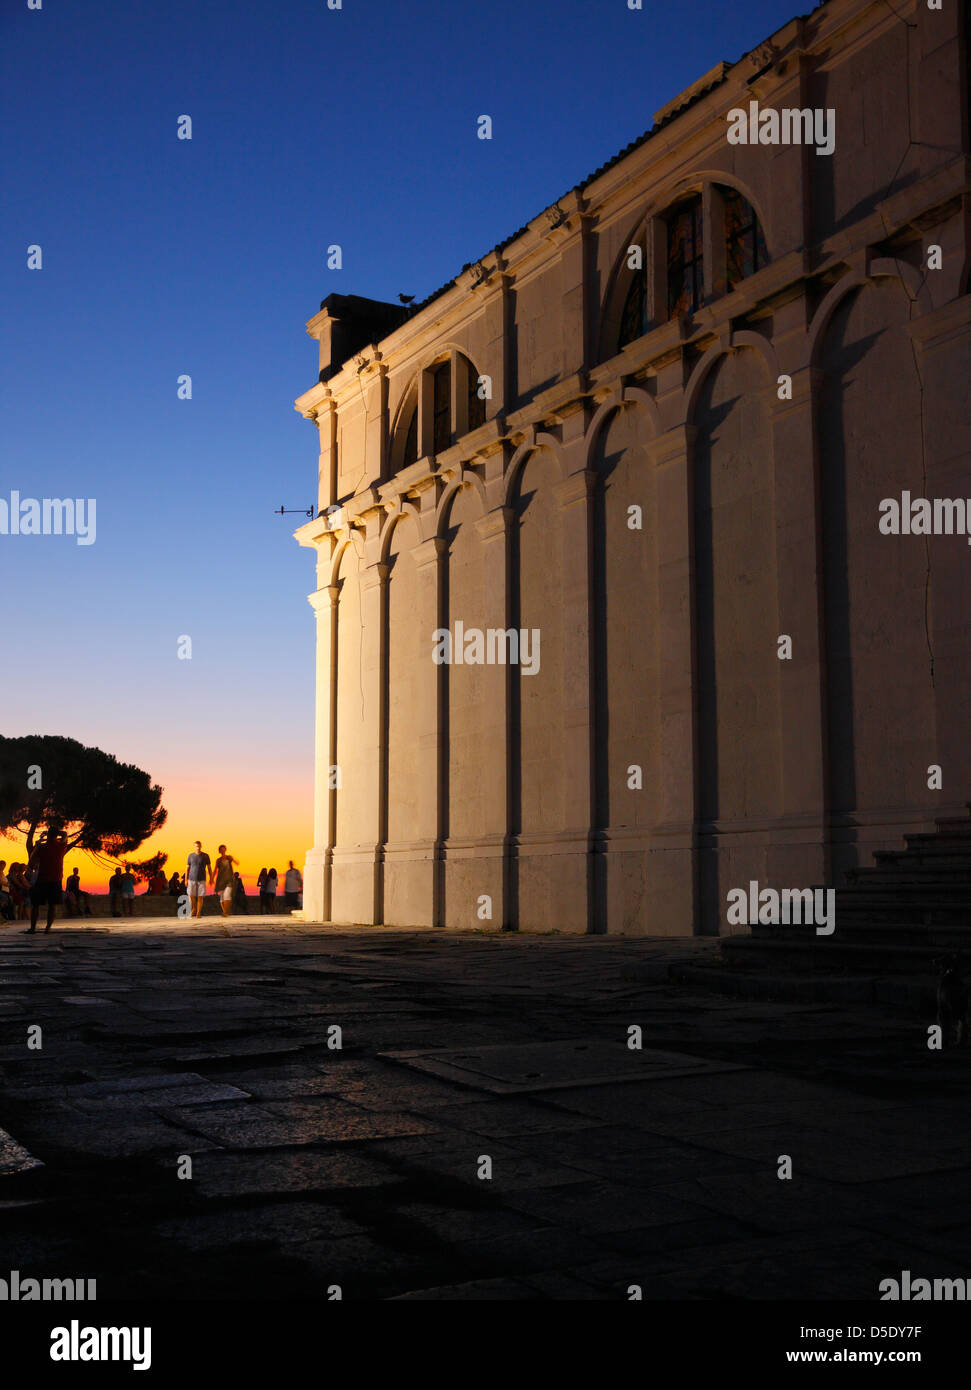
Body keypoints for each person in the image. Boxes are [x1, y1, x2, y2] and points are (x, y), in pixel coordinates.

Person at [26, 828, 69, 934]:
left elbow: (31, 860)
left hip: (42, 879)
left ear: (48, 835)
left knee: (35, 905)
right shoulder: (61, 846)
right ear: (56, 835)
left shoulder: (42, 847)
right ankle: (47, 928)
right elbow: (65, 834)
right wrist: (55, 834)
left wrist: (40, 841)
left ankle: (33, 928)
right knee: (52, 905)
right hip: (56, 879)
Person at [186, 840, 212, 918]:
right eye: (196, 846)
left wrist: (211, 878)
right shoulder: (190, 856)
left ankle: (198, 912)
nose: (198, 847)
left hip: (202, 879)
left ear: (201, 846)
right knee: (191, 895)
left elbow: (209, 868)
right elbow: (187, 868)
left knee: (200, 896)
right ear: (194, 847)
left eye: (199, 846)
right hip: (191, 879)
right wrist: (185, 879)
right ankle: (193, 909)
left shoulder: (205, 856)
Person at [212, 844, 238, 918]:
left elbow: (237, 863)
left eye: (224, 849)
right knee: (222, 897)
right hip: (221, 881)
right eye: (221, 849)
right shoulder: (218, 860)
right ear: (219, 851)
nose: (223, 851)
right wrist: (212, 878)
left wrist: (233, 858)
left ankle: (225, 912)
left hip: (229, 879)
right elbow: (215, 870)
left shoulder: (229, 858)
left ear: (225, 850)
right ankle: (225, 911)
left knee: (227, 895)